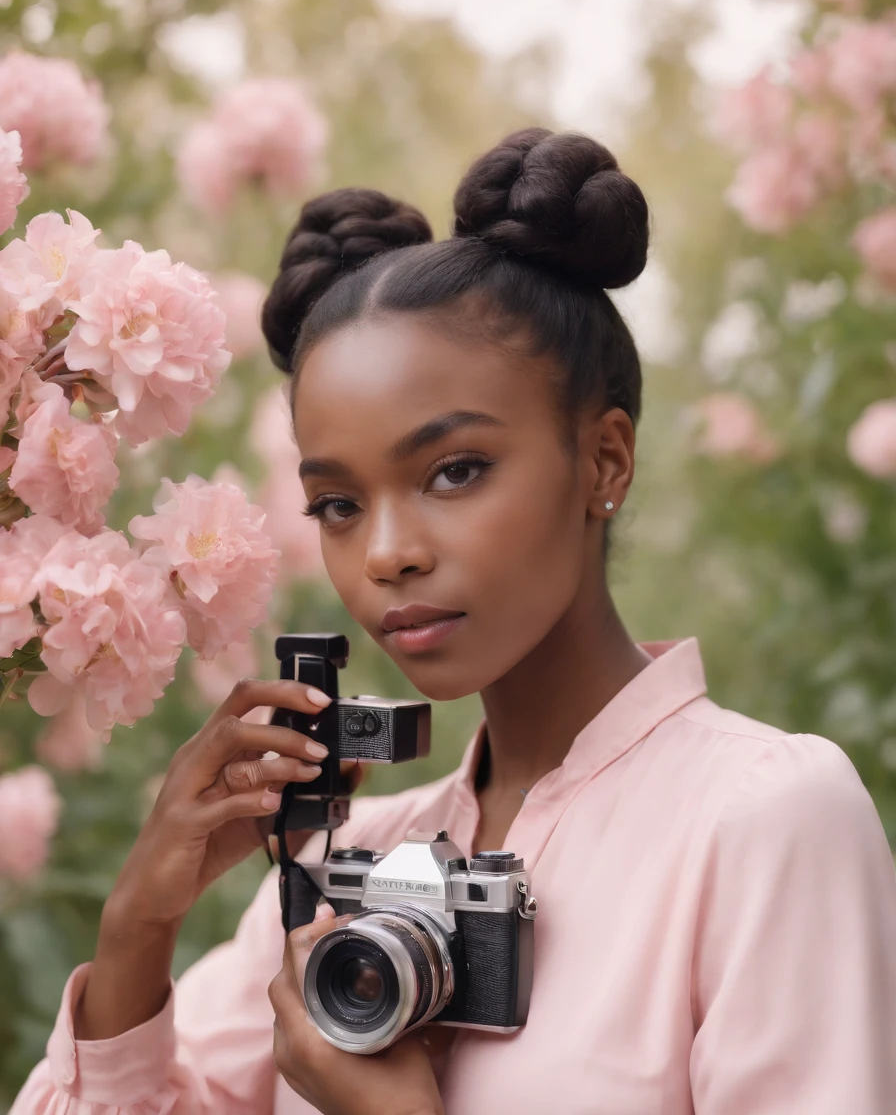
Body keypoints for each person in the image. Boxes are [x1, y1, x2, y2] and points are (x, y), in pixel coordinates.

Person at [11, 127, 896, 1115]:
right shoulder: (350, 862)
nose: (386, 551)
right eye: (337, 503)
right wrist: (140, 921)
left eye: (454, 471)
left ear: (603, 460)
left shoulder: (757, 818)